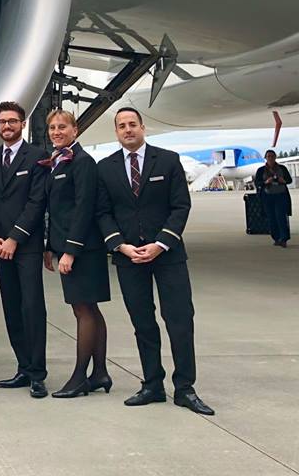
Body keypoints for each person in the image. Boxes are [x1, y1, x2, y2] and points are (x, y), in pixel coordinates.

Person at [96, 107, 214, 415]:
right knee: (143, 322)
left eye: (132, 124)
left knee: (179, 320)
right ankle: (152, 384)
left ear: (142, 127)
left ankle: (185, 388)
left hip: (168, 255)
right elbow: (103, 213)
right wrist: (119, 246)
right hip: (129, 258)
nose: (128, 130)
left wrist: (161, 243)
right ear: (116, 132)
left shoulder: (168, 160)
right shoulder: (105, 168)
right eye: (122, 126)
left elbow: (180, 206)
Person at [40, 110, 111, 399]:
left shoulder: (82, 162)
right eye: (52, 128)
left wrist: (70, 251)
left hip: (84, 250)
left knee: (83, 310)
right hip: (69, 246)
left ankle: (80, 376)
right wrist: (50, 246)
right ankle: (100, 372)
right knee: (88, 308)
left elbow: (83, 209)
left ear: (75, 130)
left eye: (62, 127)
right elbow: (56, 211)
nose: (57, 132)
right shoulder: (58, 161)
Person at [0, 101, 49, 399]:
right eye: (2, 122)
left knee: (32, 307)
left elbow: (37, 202)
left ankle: (38, 374)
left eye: (12, 121)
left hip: (26, 246)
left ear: (23, 123)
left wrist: (14, 238)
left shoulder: (37, 157)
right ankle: (23, 367)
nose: (6, 126)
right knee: (11, 307)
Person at [256, 149, 292, 247]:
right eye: (268, 156)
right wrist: (266, 182)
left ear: (275, 157)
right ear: (265, 158)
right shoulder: (261, 170)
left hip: (281, 196)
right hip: (267, 197)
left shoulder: (282, 168)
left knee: (281, 217)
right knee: (271, 218)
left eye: (272, 156)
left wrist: (283, 180)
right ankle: (276, 238)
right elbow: (257, 183)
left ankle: (284, 238)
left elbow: (289, 180)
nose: (271, 158)